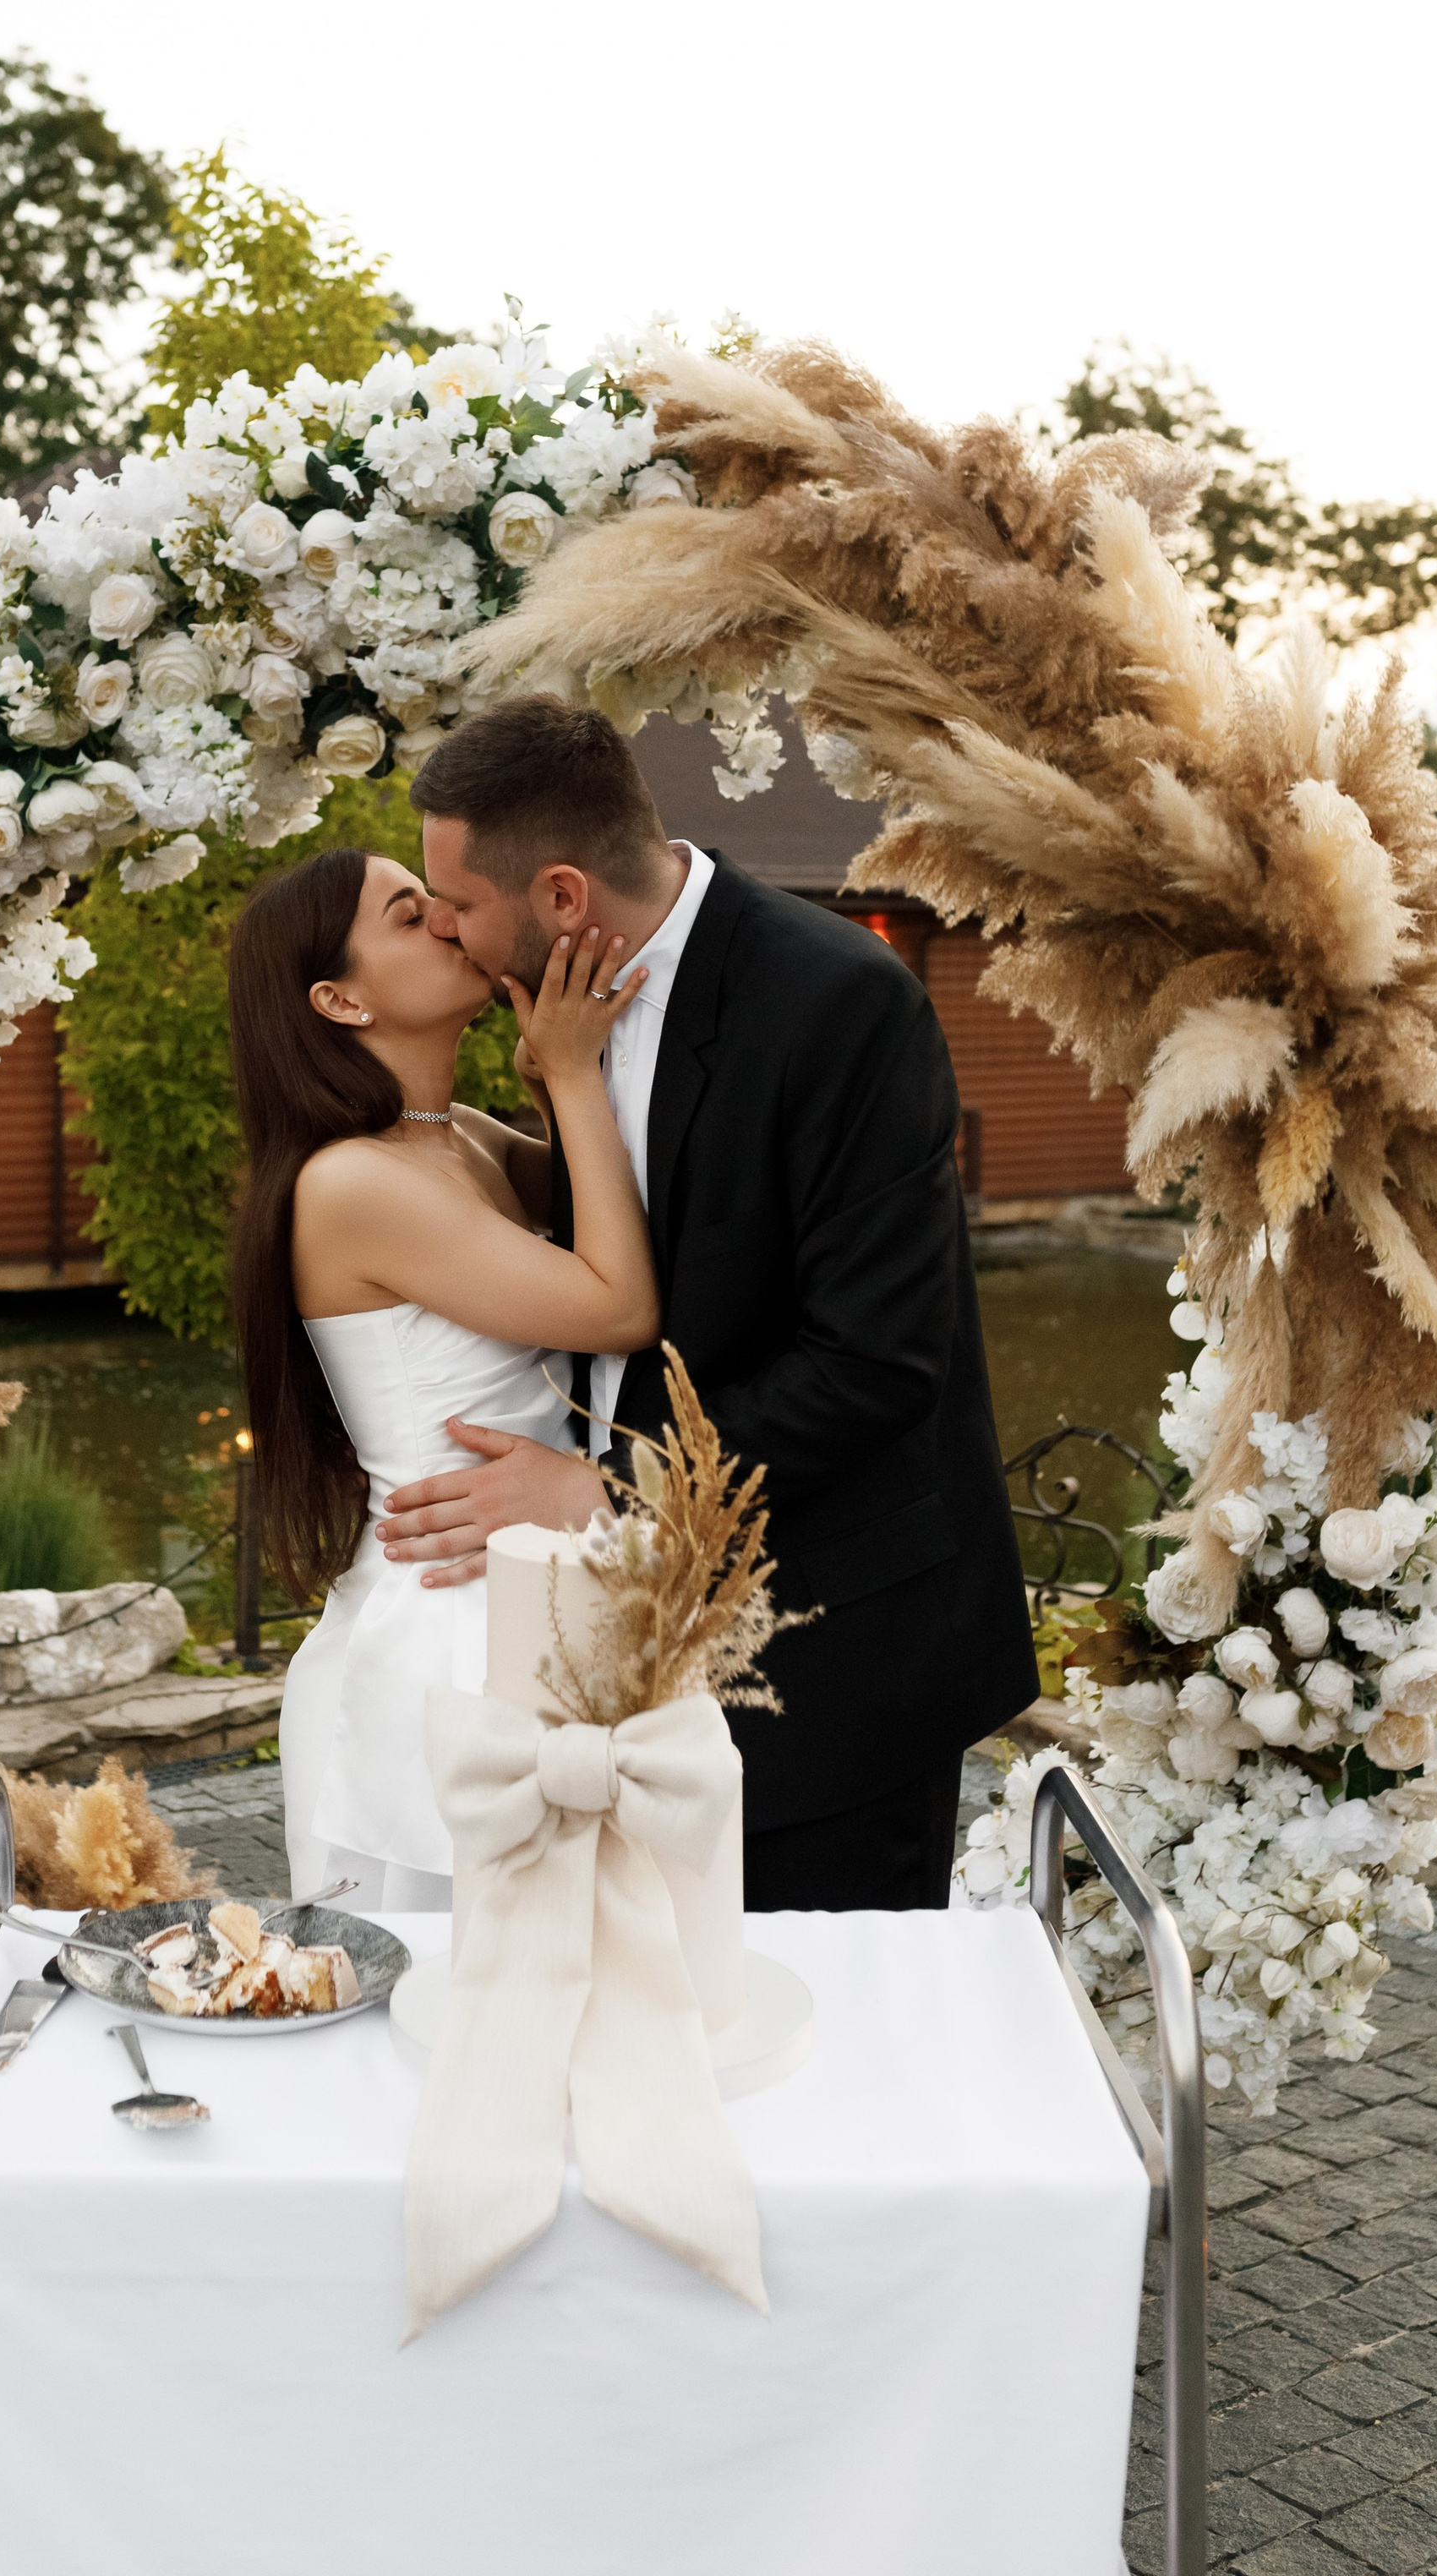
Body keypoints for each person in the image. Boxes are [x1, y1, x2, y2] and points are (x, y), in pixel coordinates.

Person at [384, 694, 1039, 1913]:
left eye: (460, 903)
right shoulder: (557, 1010)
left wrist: (606, 1490)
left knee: (816, 2008)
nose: (447, 929)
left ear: (563, 895)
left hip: (832, 1655)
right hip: (629, 1650)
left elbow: (876, 1362)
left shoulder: (837, 1001)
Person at [227, 839, 658, 1912]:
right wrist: (569, 1072)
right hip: (446, 1629)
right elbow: (618, 1305)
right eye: (408, 916)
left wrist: (552, 1082)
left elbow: (617, 1202)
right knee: (463, 1966)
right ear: (339, 1000)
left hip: (538, 1581)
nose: (450, 924)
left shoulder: (454, 1137)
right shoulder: (350, 1183)